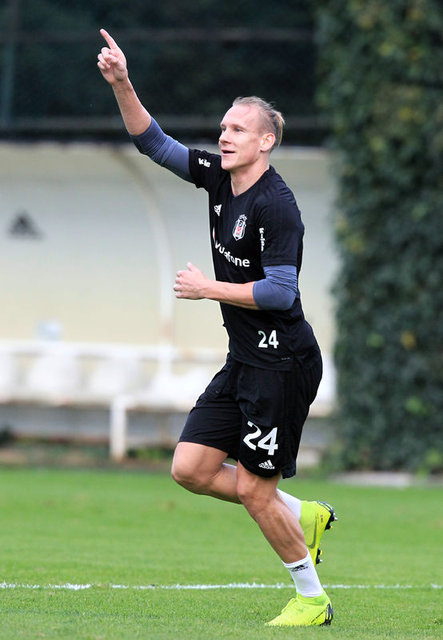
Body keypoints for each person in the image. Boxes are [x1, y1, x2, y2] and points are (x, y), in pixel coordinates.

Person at [97, 28, 336, 627]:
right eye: (223, 127)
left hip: (283, 362)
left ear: (266, 141)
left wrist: (209, 288)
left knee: (255, 491)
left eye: (236, 129)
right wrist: (122, 82)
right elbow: (153, 143)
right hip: (246, 359)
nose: (223, 136)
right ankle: (301, 514)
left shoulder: (277, 207)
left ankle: (312, 600)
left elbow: (281, 292)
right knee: (190, 469)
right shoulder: (217, 176)